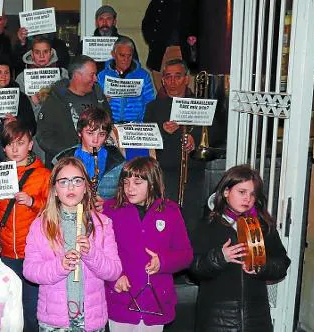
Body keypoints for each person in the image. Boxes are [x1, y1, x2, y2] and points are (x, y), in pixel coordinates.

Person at [23, 157, 122, 331]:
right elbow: (30, 271)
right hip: (53, 321)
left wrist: (92, 253)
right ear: (54, 189)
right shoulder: (40, 225)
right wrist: (59, 266)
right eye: (63, 182)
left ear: (85, 188)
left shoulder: (102, 223)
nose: (70, 187)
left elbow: (114, 272)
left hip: (91, 319)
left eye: (77, 181)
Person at [189, 165, 291, 331]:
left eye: (252, 194)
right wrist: (220, 257)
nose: (248, 199)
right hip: (218, 318)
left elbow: (282, 263)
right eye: (242, 192)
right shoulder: (207, 225)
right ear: (226, 192)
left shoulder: (263, 225)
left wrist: (262, 267)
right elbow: (193, 268)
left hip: (256, 316)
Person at [103, 156, 192, 331]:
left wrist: (163, 262)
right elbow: (101, 253)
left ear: (152, 183)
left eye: (137, 182)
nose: (130, 188)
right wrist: (115, 277)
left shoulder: (170, 211)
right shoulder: (110, 210)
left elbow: (186, 255)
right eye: (126, 182)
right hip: (121, 299)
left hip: (156, 303)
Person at [0, 121, 50, 331]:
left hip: (32, 254)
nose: (15, 149)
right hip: (5, 252)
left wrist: (33, 203)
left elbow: (53, 211)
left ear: (30, 145)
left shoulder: (44, 175)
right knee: (8, 311)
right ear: (3, 147)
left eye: (20, 143)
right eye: (10, 144)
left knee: (31, 311)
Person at [143, 59, 204, 234]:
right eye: (168, 77)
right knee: (165, 219)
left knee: (191, 221)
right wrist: (162, 131)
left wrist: (195, 139)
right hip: (164, 173)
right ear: (162, 80)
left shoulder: (199, 104)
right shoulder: (153, 107)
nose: (172, 81)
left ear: (186, 79)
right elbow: (147, 139)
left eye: (177, 77)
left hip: (193, 171)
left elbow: (213, 133)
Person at [37, 55, 111, 167]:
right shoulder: (55, 100)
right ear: (77, 76)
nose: (96, 79)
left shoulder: (98, 95)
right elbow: (44, 137)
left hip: (96, 163)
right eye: (92, 75)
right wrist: (72, 154)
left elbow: (108, 124)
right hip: (64, 165)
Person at [53, 107, 125, 200]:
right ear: (79, 132)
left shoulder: (117, 160)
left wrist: (107, 205)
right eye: (90, 133)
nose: (95, 140)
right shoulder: (62, 159)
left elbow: (124, 196)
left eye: (101, 134)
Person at [0, 57, 36, 135]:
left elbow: (32, 128)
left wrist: (17, 123)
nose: (3, 76)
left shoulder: (21, 97)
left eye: (6, 72)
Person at [142, 0, 198, 72]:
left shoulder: (194, 3)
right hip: (160, 54)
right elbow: (147, 23)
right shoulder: (158, 2)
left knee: (185, 80)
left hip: (187, 53)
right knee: (161, 81)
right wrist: (153, 42)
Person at [85, 5, 139, 71]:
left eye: (108, 19)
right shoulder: (85, 45)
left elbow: (135, 67)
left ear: (114, 22)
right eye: (101, 19)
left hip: (119, 80)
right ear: (96, 22)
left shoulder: (126, 43)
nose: (104, 22)